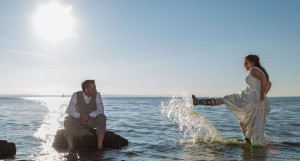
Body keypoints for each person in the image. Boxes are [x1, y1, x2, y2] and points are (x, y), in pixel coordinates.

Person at [192, 54, 272, 146]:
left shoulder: (253, 69)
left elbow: (264, 80)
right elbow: (269, 84)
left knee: (225, 100)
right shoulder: (259, 70)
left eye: (246, 63)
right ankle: (248, 141)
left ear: (253, 62)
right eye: (244, 63)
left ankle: (198, 102)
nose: (244, 65)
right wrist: (261, 96)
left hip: (248, 99)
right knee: (243, 124)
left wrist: (261, 95)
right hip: (251, 99)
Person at [64, 80, 106, 151]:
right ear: (86, 90)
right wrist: (80, 115)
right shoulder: (76, 95)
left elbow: (101, 110)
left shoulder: (97, 95)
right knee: (67, 118)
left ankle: (100, 146)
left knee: (102, 116)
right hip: (79, 121)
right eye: (93, 89)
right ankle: (70, 147)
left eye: (95, 88)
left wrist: (89, 115)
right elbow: (69, 110)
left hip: (91, 122)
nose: (95, 90)